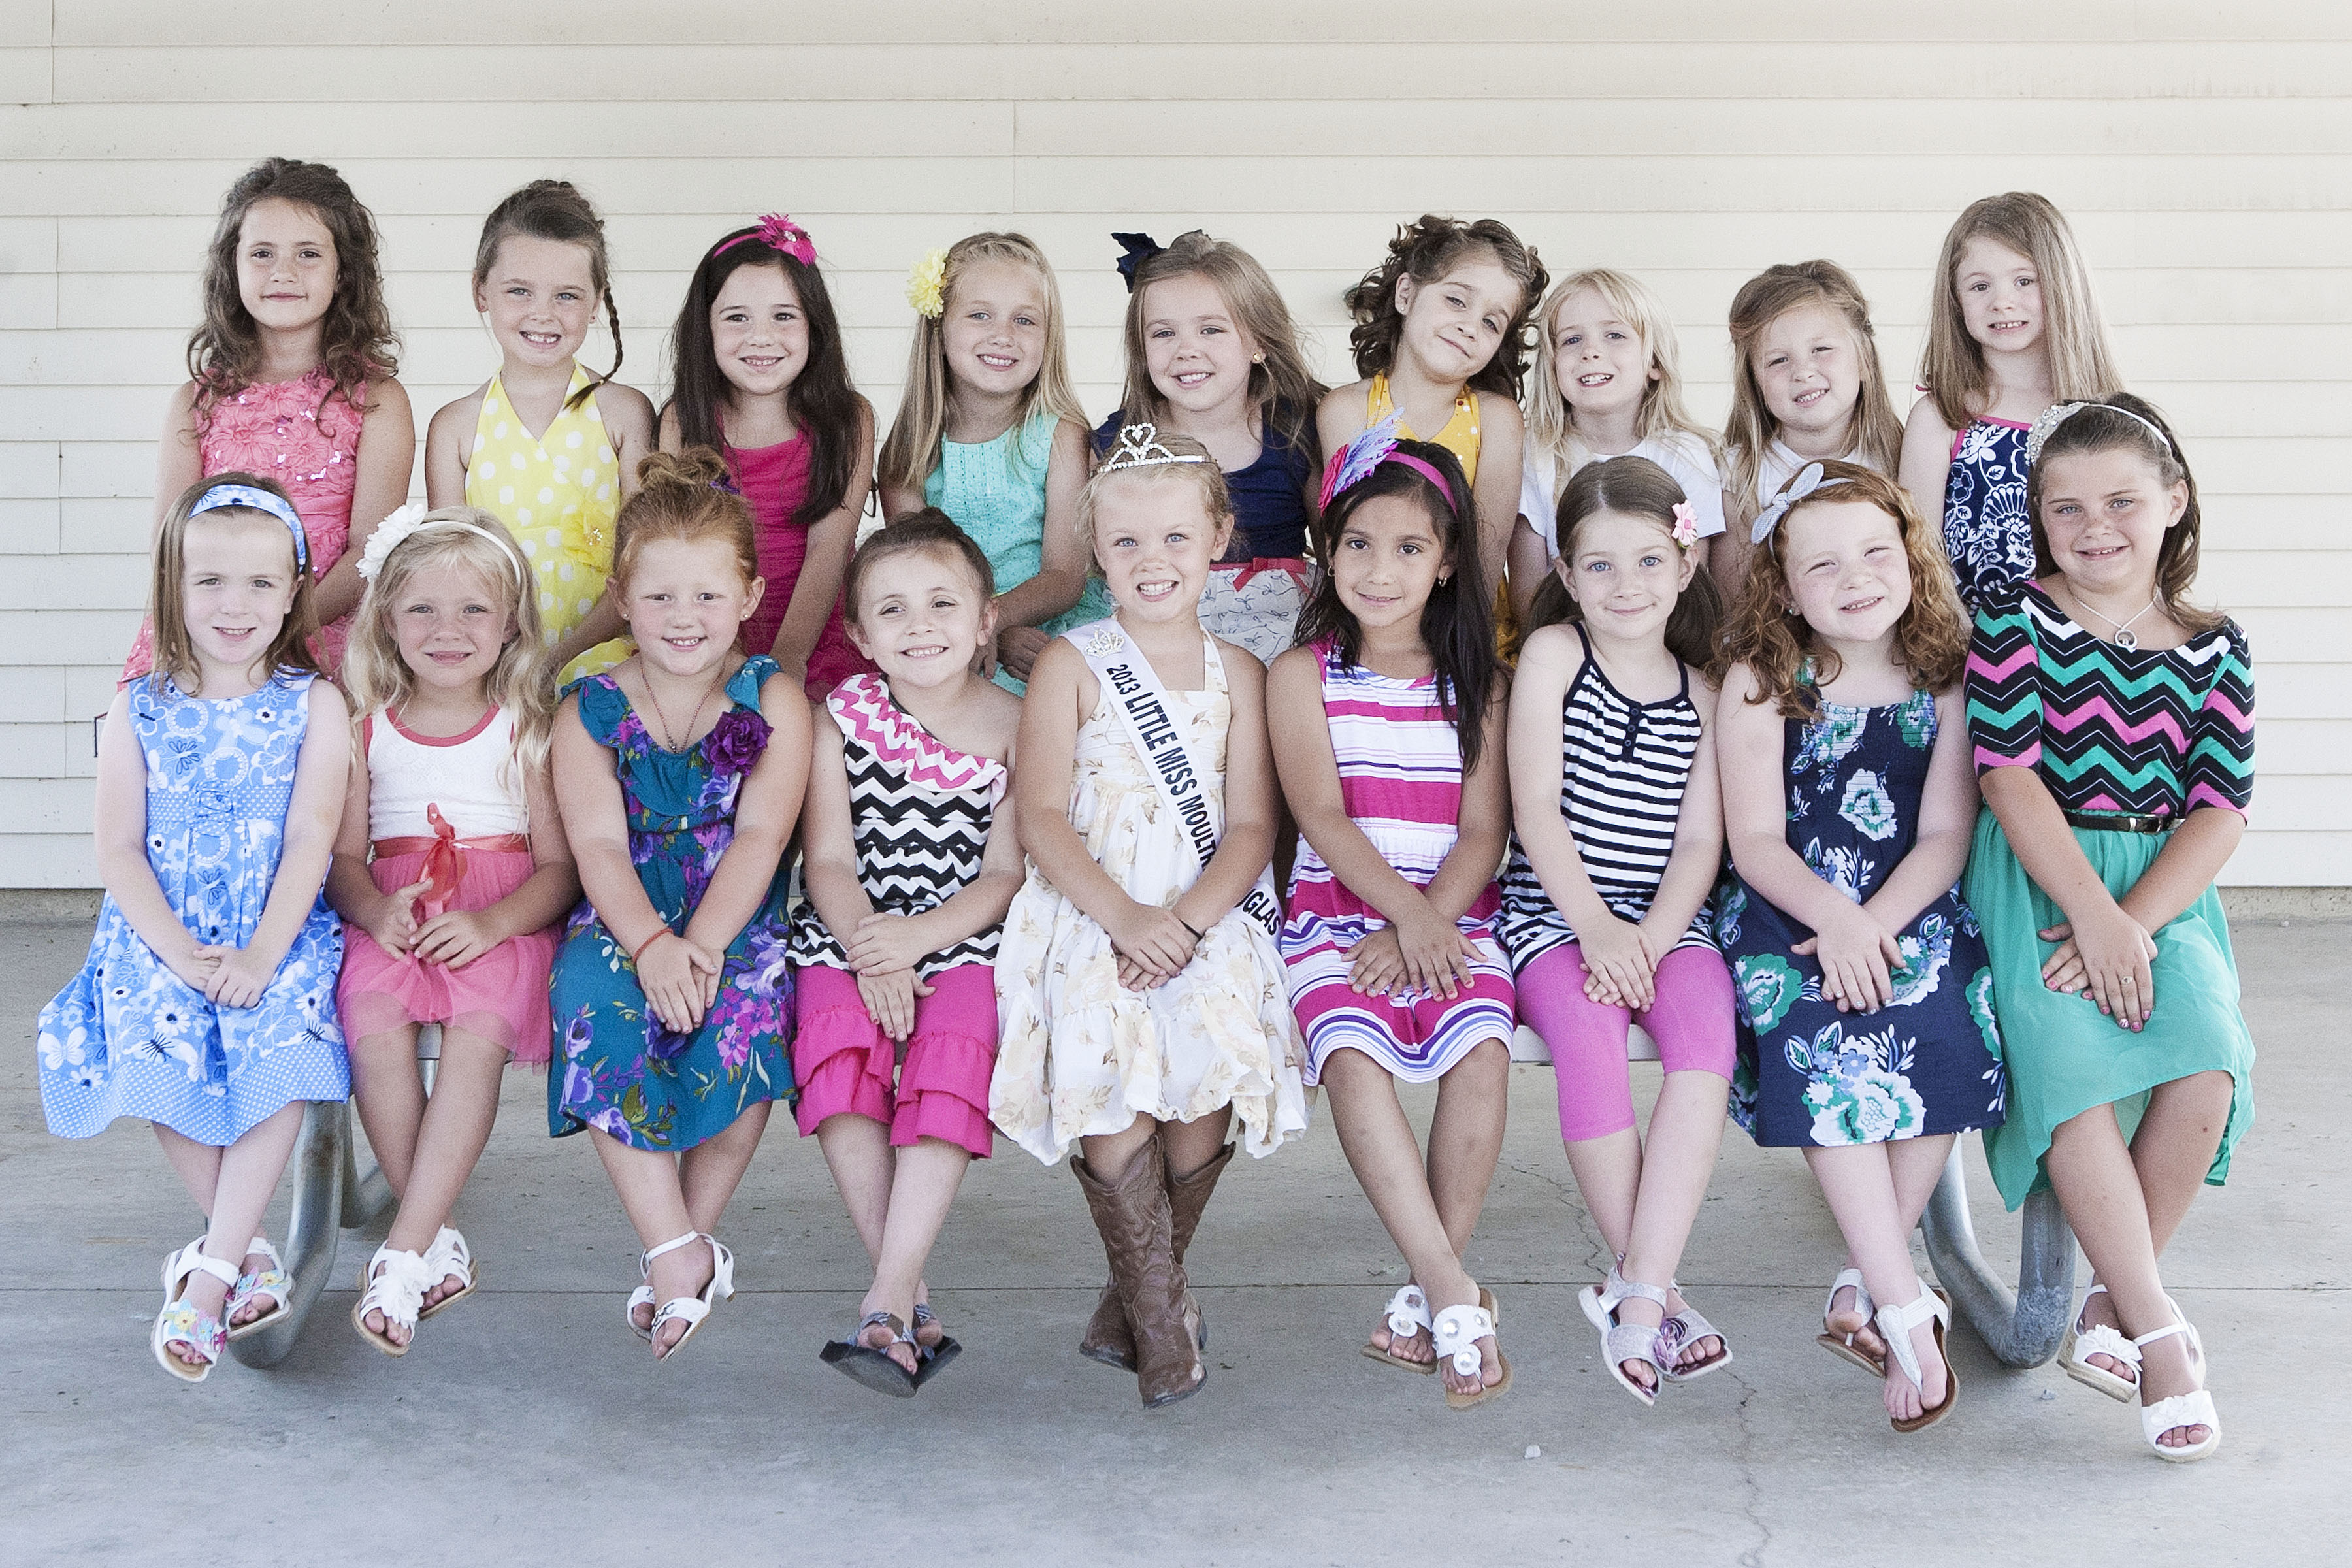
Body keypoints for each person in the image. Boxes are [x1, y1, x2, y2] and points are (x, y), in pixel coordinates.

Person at [990, 425, 1309, 1408]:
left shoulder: (1241, 676)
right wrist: (1127, 917)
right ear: (1096, 553)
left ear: (1218, 537)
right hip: (1093, 905)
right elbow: (1041, 814)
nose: (1152, 562)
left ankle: (1136, 1294)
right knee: (1107, 1065)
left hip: (1204, 909)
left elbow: (1254, 824)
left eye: (1175, 538)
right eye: (1126, 544)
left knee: (1205, 1057)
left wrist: (1185, 921)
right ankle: (1166, 1327)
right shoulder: (1071, 663)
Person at [1965, 395, 2253, 1462]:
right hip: (2042, 876)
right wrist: (2091, 917)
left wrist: (2135, 923)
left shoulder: (2217, 647)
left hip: (2163, 887)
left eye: (2124, 501)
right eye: (2067, 507)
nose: (2097, 526)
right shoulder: (2015, 616)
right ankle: (2162, 1336)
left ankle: (2108, 1307)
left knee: (2208, 1056)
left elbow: (2220, 810)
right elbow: (2007, 777)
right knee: (2072, 1067)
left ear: (2173, 502)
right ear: (2039, 519)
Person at [40, 474, 351, 1382]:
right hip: (160, 929)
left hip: (276, 926)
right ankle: (246, 1253)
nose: (234, 604)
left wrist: (260, 953)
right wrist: (176, 952)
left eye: (260, 583)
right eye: (209, 581)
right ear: (172, 588)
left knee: (284, 1035)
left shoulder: (315, 705)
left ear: (295, 589)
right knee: (142, 1038)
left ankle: (209, 1274)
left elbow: (311, 839)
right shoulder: (138, 708)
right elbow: (119, 850)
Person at [1714, 460, 2001, 1431]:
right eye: (1824, 563)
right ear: (1783, 586)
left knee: (1950, 1020)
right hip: (1788, 909)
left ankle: (1865, 1284)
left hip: (1908, 901)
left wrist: (1875, 925)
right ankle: (1904, 1305)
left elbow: (1944, 836)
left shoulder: (1945, 675)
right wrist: (1833, 922)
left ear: (1913, 563)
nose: (1856, 577)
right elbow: (1752, 840)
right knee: (1828, 1037)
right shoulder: (1760, 679)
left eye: (1878, 553)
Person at [546, 449, 811, 1359]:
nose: (684, 618)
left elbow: (762, 839)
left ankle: (684, 1244)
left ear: (747, 595)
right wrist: (653, 946)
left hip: (735, 915)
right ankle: (673, 1251)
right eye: (659, 598)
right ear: (623, 598)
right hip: (625, 912)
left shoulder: (774, 696)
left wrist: (698, 947)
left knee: (746, 1022)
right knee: (593, 1007)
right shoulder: (589, 708)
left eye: (706, 596)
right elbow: (597, 847)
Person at [1271, 423, 1514, 1408]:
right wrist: (1400, 918)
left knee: (1482, 1050)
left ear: (1449, 560)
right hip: (1339, 913)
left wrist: (1428, 923)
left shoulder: (1478, 687)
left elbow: (1485, 830)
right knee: (1353, 1056)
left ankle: (1429, 1287)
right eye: (1359, 544)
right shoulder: (1305, 675)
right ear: (1329, 551)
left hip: (1454, 913)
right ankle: (1452, 1289)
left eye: (1410, 548)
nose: (1380, 569)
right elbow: (1320, 814)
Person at [1497, 455, 1734, 1405]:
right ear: (1564, 570)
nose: (1625, 586)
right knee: (1592, 1042)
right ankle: (1655, 1295)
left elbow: (1700, 840)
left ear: (1684, 567)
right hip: (1558, 918)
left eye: (1647, 561)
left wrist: (1654, 936)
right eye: (1599, 566)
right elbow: (1537, 809)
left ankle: (1637, 1289)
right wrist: (1597, 930)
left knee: (1704, 1052)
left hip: (1669, 925)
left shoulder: (1708, 689)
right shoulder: (1557, 656)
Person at [327, 506, 580, 1354]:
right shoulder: (366, 727)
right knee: (371, 1017)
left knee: (476, 1032)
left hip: (500, 917)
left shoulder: (529, 728)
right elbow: (344, 859)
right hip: (400, 910)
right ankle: (435, 1243)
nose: (447, 630)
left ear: (510, 624)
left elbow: (559, 871)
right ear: (388, 622)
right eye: (423, 610)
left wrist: (493, 921)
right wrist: (373, 910)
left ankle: (406, 1251)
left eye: (473, 609)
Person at [791, 512, 1024, 1396]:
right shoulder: (839, 719)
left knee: (951, 1053)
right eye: (890, 610)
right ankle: (903, 1294)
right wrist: (874, 953)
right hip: (849, 930)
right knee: (838, 1046)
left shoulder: (1018, 724)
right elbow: (829, 860)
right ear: (856, 633)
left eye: (940, 603)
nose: (919, 625)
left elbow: (1006, 873)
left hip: (966, 935)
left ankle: (889, 1297)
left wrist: (922, 943)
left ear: (984, 618)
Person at [123, 158, 413, 679]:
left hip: (325, 642)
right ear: (232, 267)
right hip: (209, 645)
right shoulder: (195, 403)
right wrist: (229, 635)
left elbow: (371, 551)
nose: (283, 272)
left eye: (308, 254)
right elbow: (168, 546)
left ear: (342, 270)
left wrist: (281, 631)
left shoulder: (377, 401)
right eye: (262, 253)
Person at [425, 179, 655, 682]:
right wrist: (513, 669)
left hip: (612, 662)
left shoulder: (623, 413)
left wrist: (557, 662)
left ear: (596, 302)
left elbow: (644, 564)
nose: (543, 314)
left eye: (567, 295)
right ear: (480, 292)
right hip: (493, 667)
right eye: (520, 291)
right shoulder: (456, 427)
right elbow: (450, 576)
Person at [875, 232, 1109, 692]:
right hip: (942, 636)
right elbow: (915, 571)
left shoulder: (1060, 436)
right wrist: (980, 633)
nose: (1003, 335)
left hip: (1043, 631)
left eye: (1025, 320)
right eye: (980, 315)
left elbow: (1064, 575)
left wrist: (996, 623)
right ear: (939, 329)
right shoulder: (910, 450)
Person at [659, 214, 875, 698]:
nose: (761, 337)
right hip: (707, 637)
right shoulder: (682, 421)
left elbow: (829, 549)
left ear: (814, 327)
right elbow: (679, 551)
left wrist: (784, 663)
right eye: (737, 317)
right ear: (706, 328)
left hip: (813, 639)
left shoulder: (848, 420)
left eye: (784, 316)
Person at [1095, 229, 1326, 662]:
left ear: (1258, 342)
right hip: (1155, 645)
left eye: (1211, 329)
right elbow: (1092, 566)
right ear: (1141, 349)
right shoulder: (1121, 444)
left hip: (1283, 645)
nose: (1187, 350)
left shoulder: (1297, 431)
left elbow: (1335, 555)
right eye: (1164, 333)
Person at [1899, 192, 2121, 609]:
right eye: (1980, 286)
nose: (2002, 301)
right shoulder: (1941, 418)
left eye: (2024, 281)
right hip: (1973, 652)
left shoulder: (2105, 418)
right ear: (1956, 299)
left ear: (2061, 284)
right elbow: (1920, 561)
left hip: (2085, 649)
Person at [1318, 215, 1545, 607]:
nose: (1470, 327)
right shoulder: (1347, 410)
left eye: (1491, 323)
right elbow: (1348, 541)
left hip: (1466, 627)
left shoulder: (1496, 420)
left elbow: (1486, 559)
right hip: (1372, 616)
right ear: (1405, 294)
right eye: (1456, 300)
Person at [1509, 268, 1730, 614]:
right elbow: (1528, 596)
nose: (1591, 352)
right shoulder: (1537, 457)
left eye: (1614, 335)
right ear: (1552, 368)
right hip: (1566, 646)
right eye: (1571, 340)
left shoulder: (1686, 456)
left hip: (1664, 643)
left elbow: (1693, 584)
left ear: (1654, 362)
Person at [1716, 260, 1905, 586]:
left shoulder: (1902, 459)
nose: (1803, 372)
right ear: (1755, 382)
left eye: (1821, 349)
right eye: (1778, 360)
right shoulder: (1739, 477)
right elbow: (1735, 606)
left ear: (1864, 358)